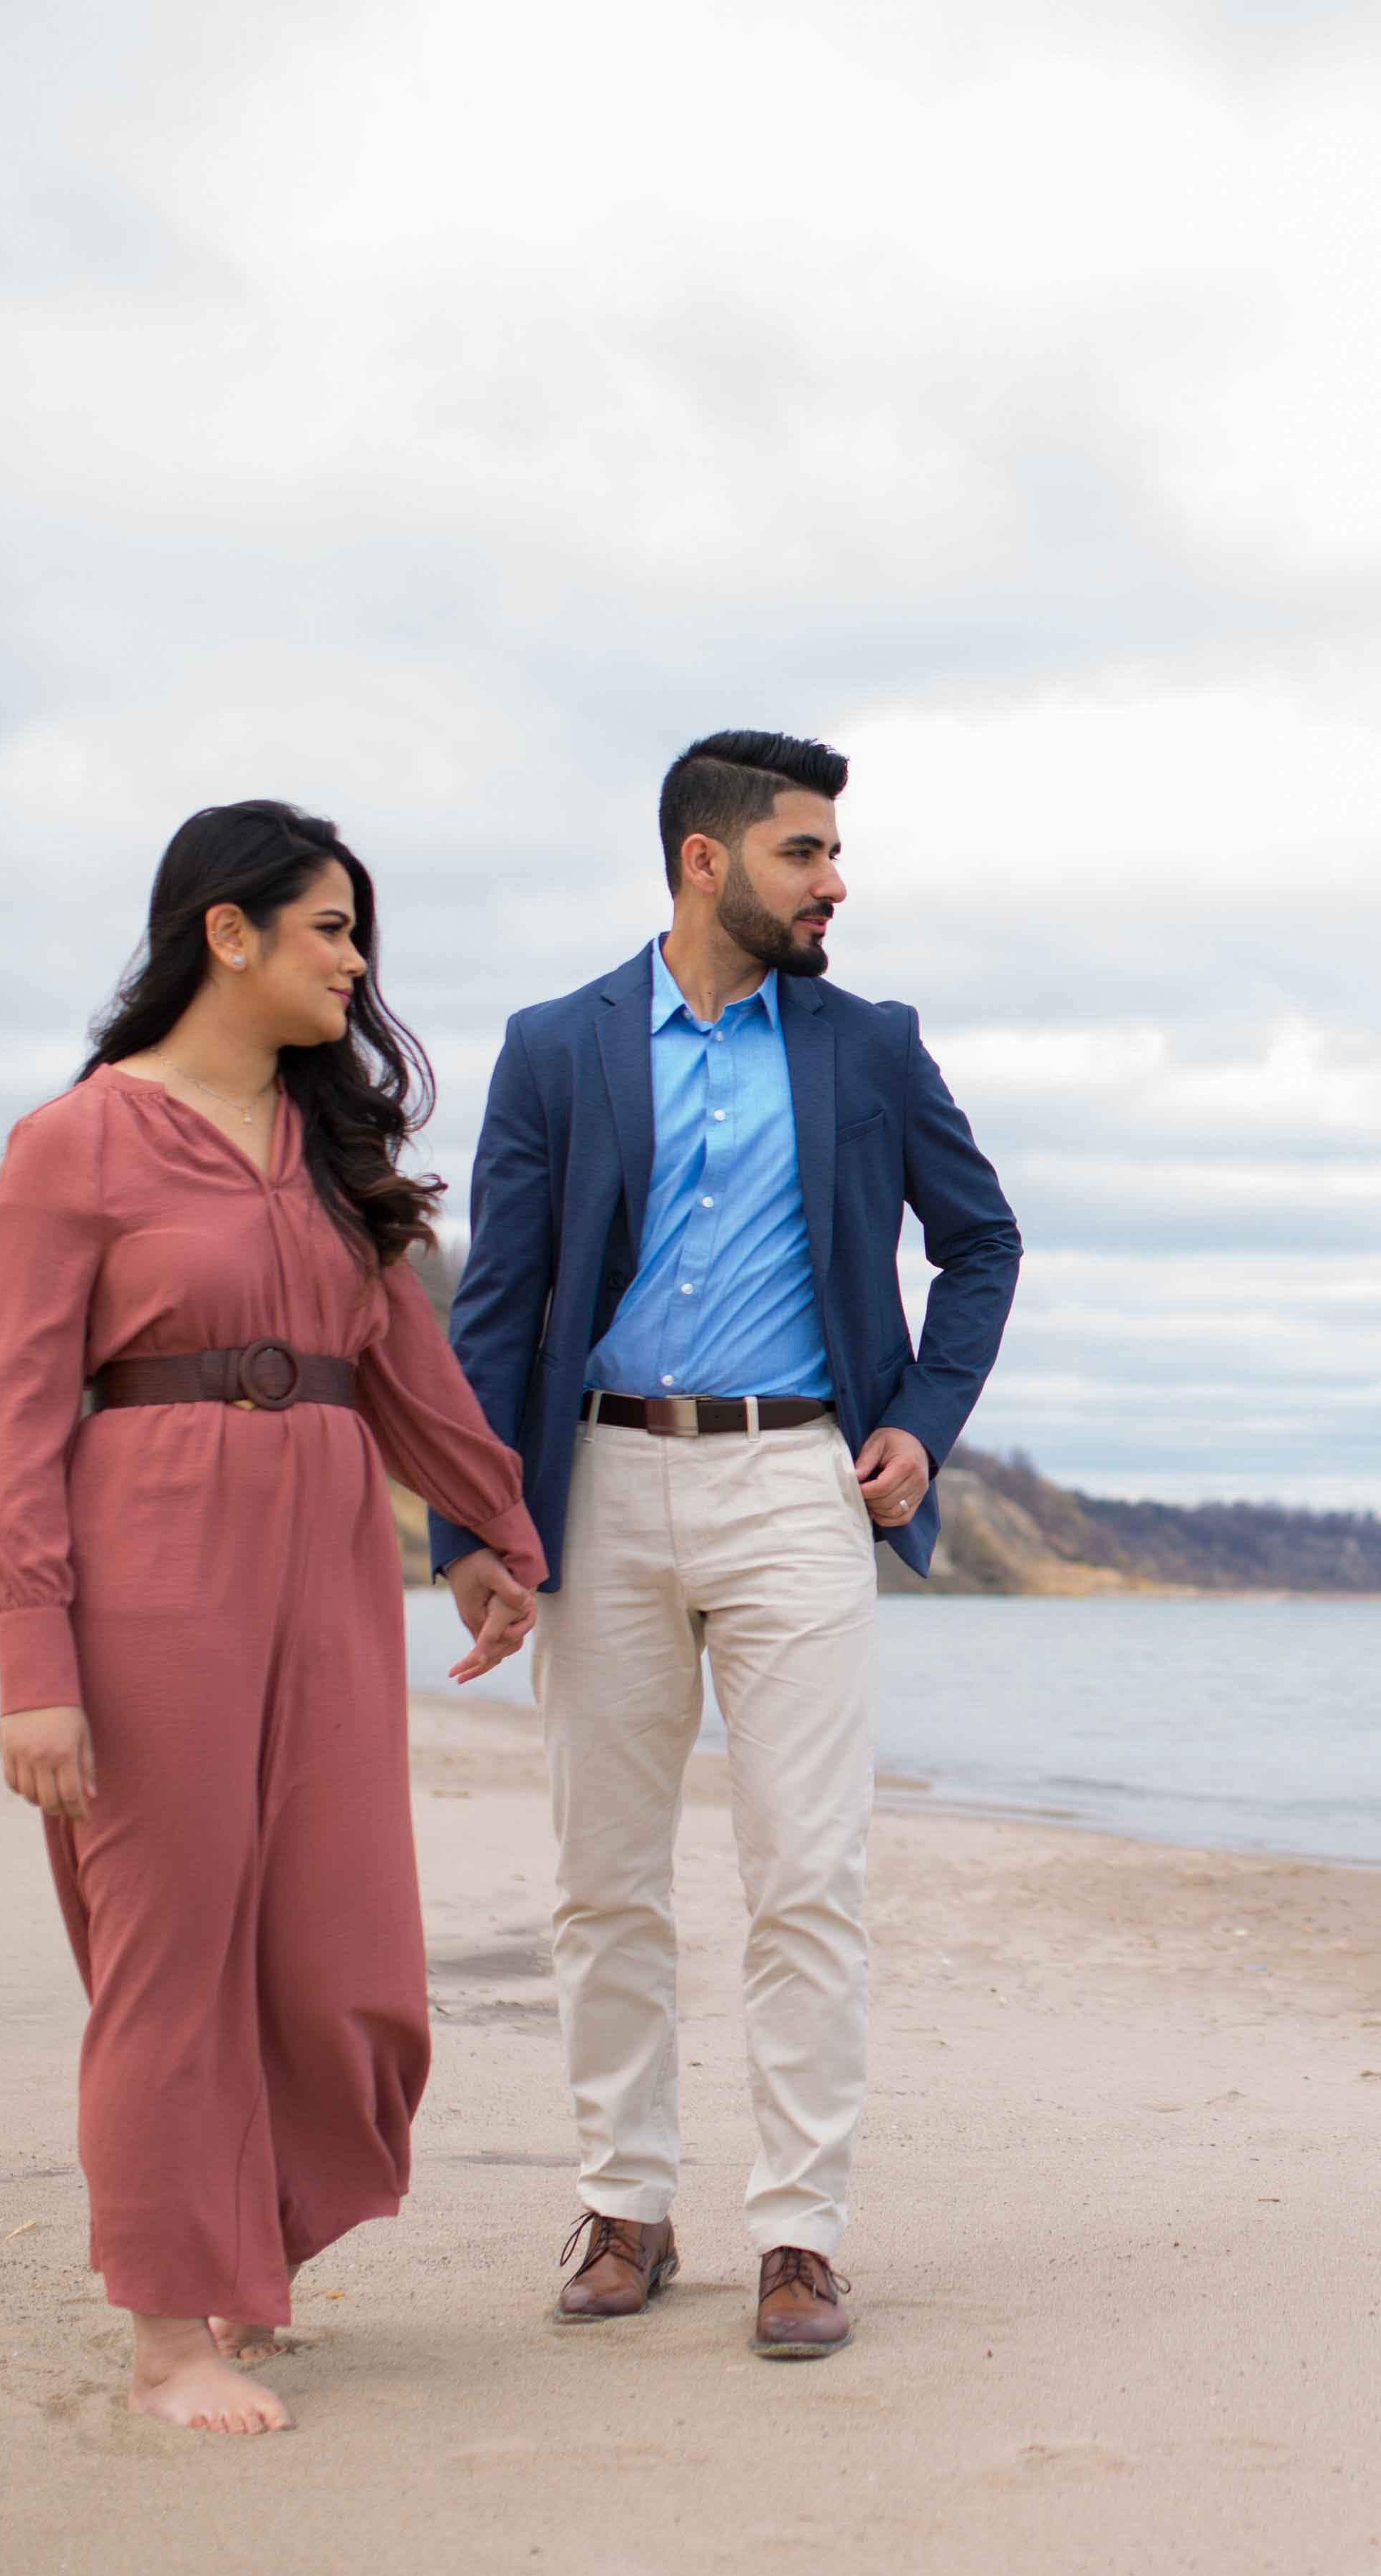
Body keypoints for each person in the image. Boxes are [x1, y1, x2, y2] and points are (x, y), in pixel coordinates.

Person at [0, 800, 548, 2436]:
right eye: (332, 931)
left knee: (342, 1950)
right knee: (171, 1955)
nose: (359, 969)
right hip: (150, 1555)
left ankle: (254, 2242)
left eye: (361, 937)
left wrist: (489, 1527)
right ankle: (172, 2333)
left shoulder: (327, 1149)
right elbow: (9, 1420)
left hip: (329, 1560)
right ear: (229, 933)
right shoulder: (74, 1142)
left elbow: (405, 1367)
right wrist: (36, 1670)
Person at [433, 729, 1017, 2359]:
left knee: (807, 1875)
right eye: (805, 853)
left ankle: (800, 2238)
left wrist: (922, 1416)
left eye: (836, 854)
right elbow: (499, 1302)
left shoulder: (872, 1048)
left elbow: (981, 1244)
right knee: (599, 1878)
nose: (837, 883)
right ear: (707, 859)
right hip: (603, 1488)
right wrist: (473, 1522)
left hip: (798, 1485)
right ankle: (626, 2208)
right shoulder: (555, 1048)